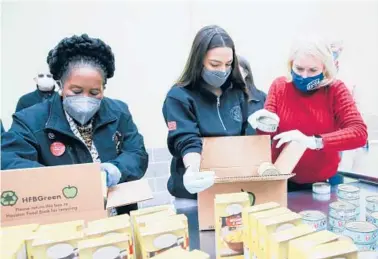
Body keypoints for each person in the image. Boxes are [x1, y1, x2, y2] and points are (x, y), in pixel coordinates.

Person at [1, 34, 148, 214]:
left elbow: (137, 153)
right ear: (61, 86)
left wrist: (116, 169)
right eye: (76, 91)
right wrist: (68, 180)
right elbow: (9, 162)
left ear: (104, 88)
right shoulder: (31, 120)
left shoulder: (118, 112)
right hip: (63, 218)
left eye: (94, 92)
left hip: (118, 215)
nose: (85, 99)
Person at [248, 35, 367, 191]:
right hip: (283, 181)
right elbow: (269, 136)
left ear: (325, 68)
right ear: (291, 64)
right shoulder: (280, 86)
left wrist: (314, 142)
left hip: (324, 184)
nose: (304, 76)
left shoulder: (335, 90)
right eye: (299, 68)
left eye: (312, 70)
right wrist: (262, 122)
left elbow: (359, 133)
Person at [162, 25, 249, 199]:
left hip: (231, 186)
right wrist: (193, 170)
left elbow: (246, 134)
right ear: (198, 60)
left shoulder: (237, 92)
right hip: (193, 191)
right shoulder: (179, 97)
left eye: (229, 64)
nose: (223, 70)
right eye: (215, 64)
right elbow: (186, 139)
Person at [238, 55, 267, 135]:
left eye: (236, 70)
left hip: (258, 145)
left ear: (246, 73)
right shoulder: (223, 98)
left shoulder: (262, 98)